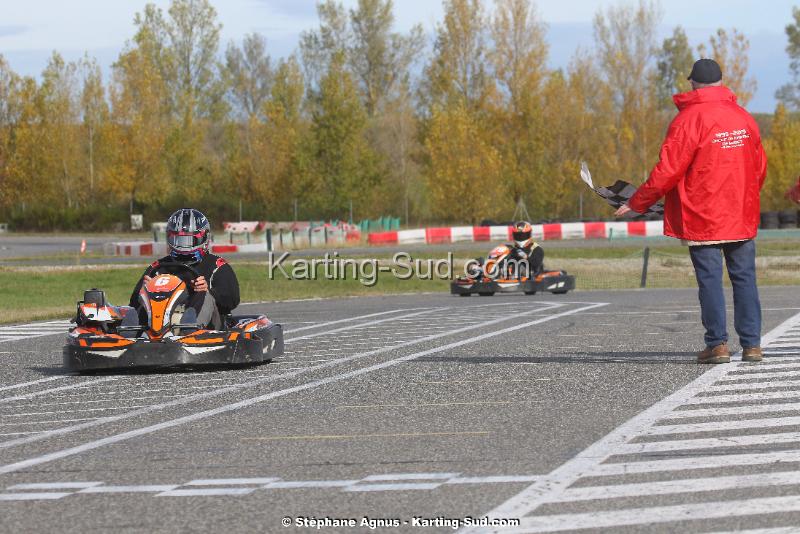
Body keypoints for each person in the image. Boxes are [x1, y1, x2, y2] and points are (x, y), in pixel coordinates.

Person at [615, 58, 767, 364]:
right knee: (745, 279)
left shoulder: (688, 120)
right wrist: (743, 197)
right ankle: (752, 346)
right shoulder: (744, 118)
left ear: (693, 83)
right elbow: (760, 168)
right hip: (739, 213)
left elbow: (667, 171)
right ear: (721, 82)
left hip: (702, 216)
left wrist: (636, 202)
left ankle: (718, 345)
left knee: (710, 281)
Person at [128, 208, 240, 330]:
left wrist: (208, 290)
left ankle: (189, 331)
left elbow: (232, 300)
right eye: (178, 240)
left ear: (203, 237)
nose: (183, 247)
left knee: (203, 295)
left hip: (207, 328)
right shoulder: (158, 267)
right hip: (160, 325)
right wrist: (145, 291)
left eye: (188, 240)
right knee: (143, 298)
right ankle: (130, 334)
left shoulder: (217, 266)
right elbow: (133, 303)